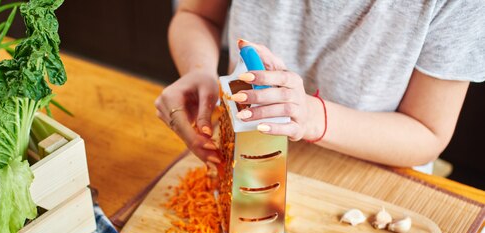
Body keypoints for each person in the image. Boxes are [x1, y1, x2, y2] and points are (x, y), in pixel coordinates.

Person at [155, 0, 485, 174]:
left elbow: (428, 132)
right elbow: (197, 15)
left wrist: (313, 117)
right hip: (244, 151)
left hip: (373, 177)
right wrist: (198, 71)